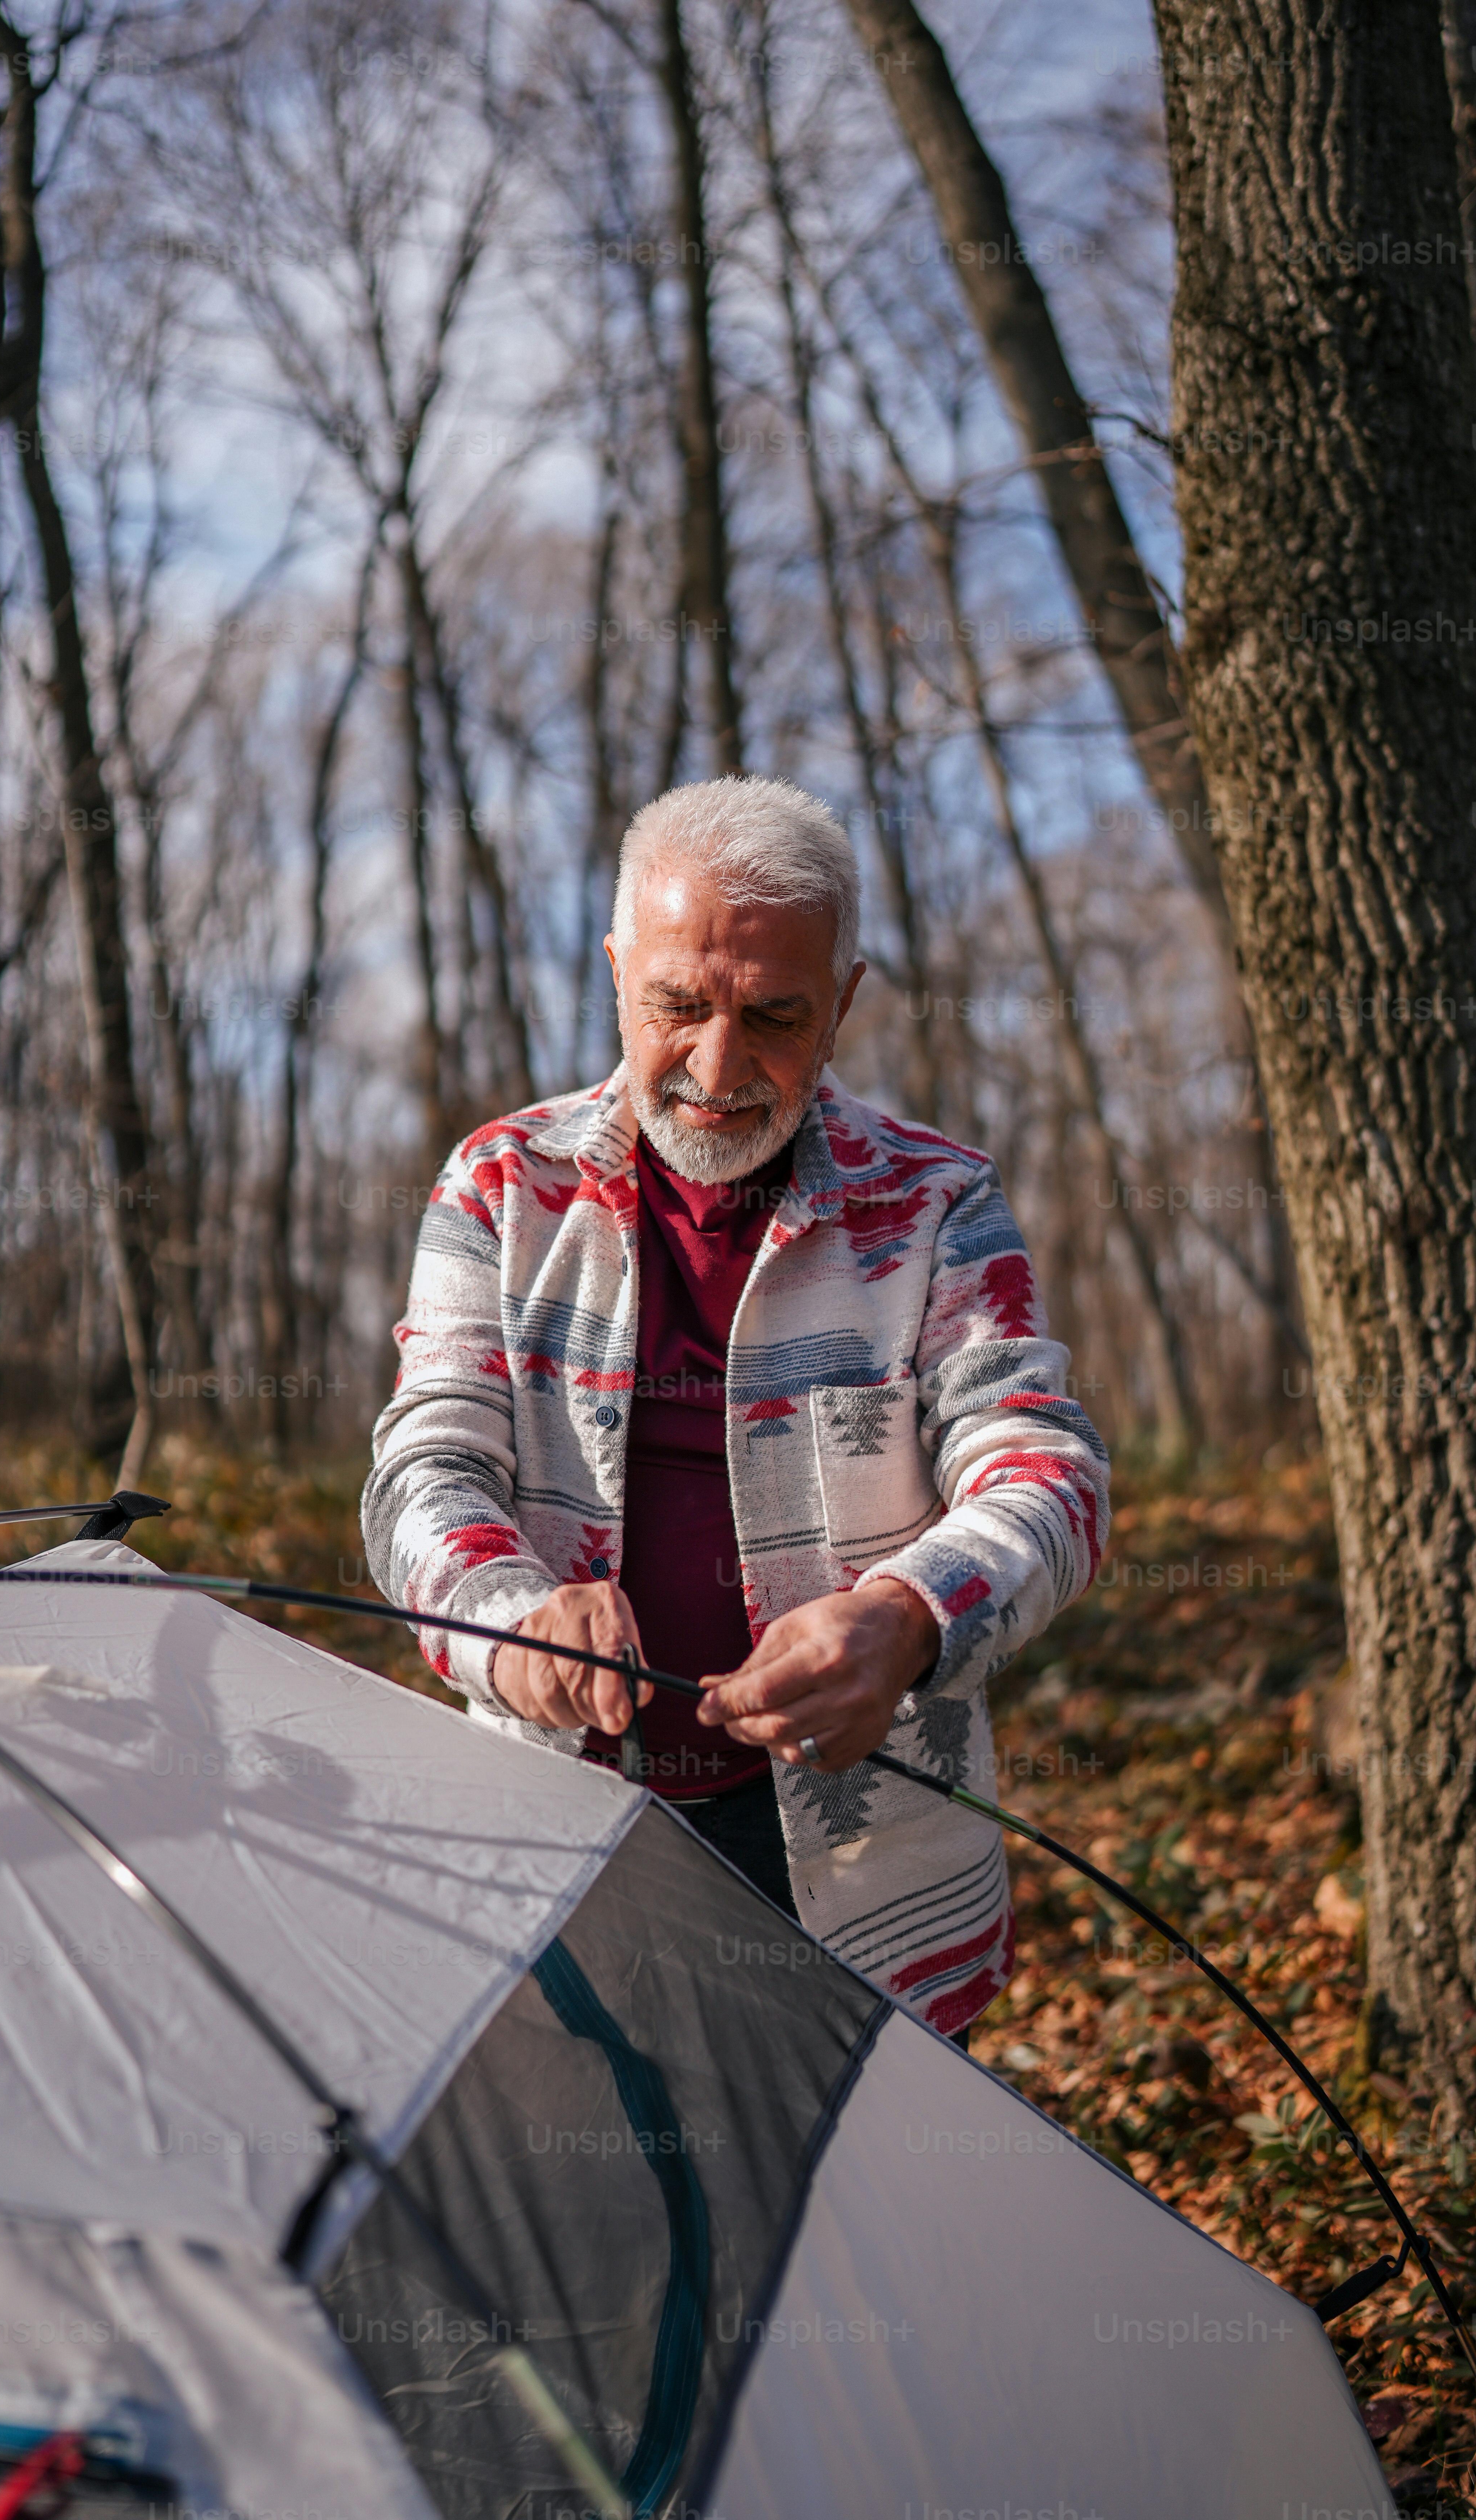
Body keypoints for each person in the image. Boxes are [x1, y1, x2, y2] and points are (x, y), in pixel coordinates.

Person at [361, 776, 1108, 2036]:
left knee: (853, 2205)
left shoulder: (935, 1203)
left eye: (774, 1017)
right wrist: (513, 1619)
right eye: (676, 1007)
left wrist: (905, 1620)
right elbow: (424, 1471)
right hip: (548, 1823)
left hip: (862, 1854)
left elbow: (1046, 1472)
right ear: (615, 973)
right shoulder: (502, 1183)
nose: (716, 1068)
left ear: (845, 1005)